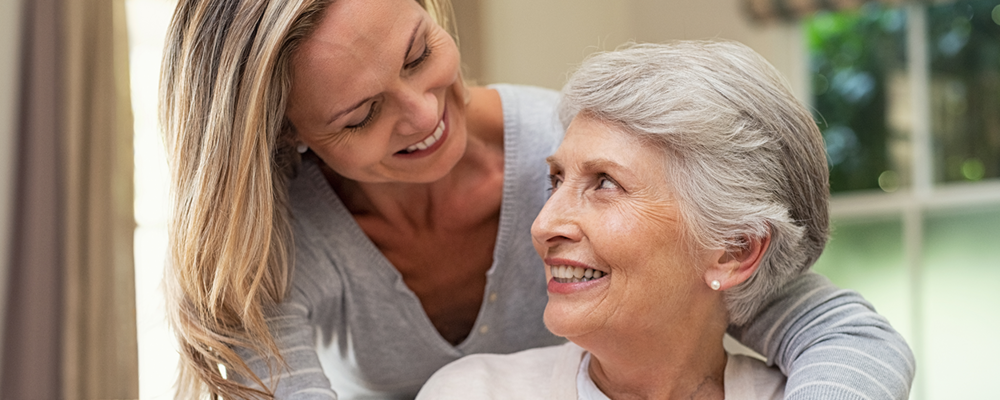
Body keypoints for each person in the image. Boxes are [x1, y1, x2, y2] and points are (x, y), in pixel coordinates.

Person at [159, 0, 915, 398]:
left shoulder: (575, 152)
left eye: (419, 54)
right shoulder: (278, 238)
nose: (424, 115)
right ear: (291, 137)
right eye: (359, 115)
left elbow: (838, 330)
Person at [416, 40, 914, 399]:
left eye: (606, 183)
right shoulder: (472, 391)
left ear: (735, 250)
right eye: (556, 179)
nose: (544, 224)